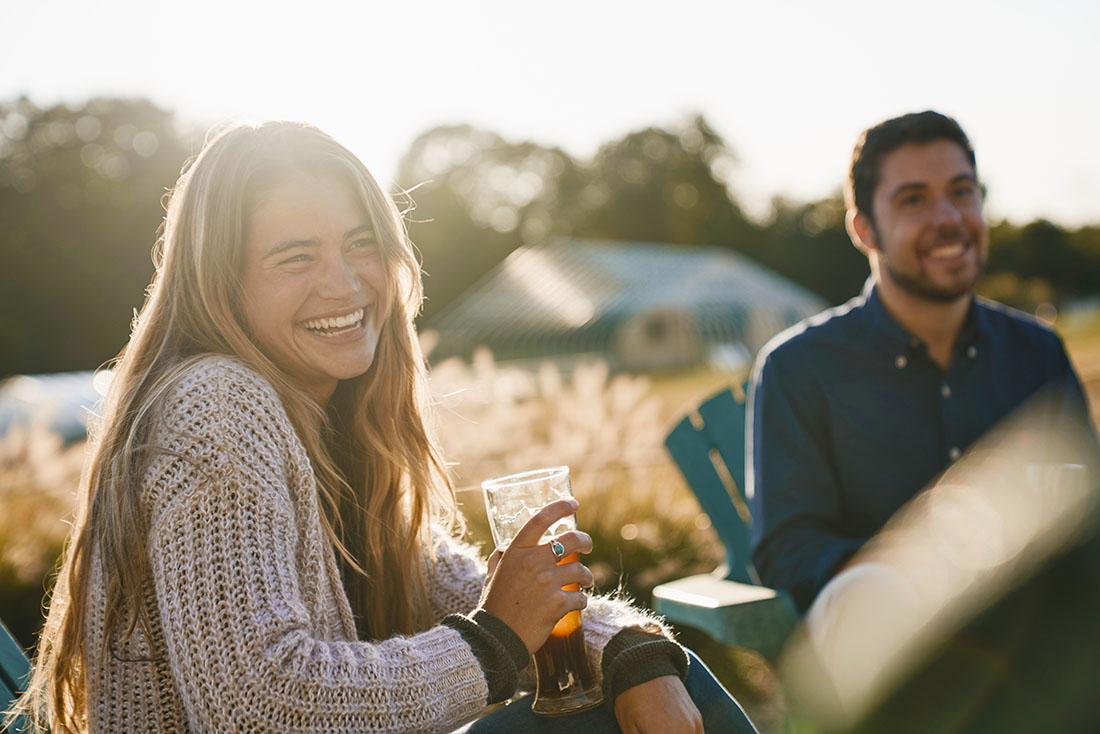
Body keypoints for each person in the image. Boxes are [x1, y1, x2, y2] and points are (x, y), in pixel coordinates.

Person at [6, 122, 757, 733]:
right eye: (296, 257)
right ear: (220, 283)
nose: (345, 282)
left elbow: (454, 587)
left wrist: (626, 650)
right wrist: (494, 643)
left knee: (657, 675)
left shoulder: (332, 425)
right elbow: (255, 708)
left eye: (360, 242)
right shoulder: (217, 403)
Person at [747, 110, 1094, 616]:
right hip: (886, 643)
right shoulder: (797, 368)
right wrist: (925, 569)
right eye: (914, 200)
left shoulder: (1037, 352)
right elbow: (789, 551)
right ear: (865, 229)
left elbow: (1084, 501)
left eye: (962, 191)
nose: (949, 218)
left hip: (1040, 625)